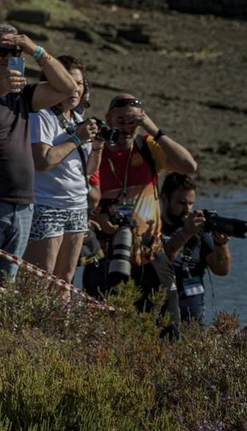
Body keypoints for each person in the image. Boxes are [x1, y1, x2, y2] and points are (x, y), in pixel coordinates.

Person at [0, 25, 76, 299]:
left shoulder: (22, 94)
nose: (9, 56)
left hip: (21, 206)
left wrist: (36, 50)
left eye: (15, 52)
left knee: (3, 290)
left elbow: (67, 88)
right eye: (1, 50)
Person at [85, 93, 199, 310]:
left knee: (166, 323)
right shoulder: (95, 151)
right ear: (108, 118)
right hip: (105, 251)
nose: (127, 127)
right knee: (105, 324)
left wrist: (152, 128)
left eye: (133, 121)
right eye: (121, 121)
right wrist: (95, 216)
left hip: (150, 252)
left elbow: (189, 166)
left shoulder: (148, 146)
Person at [24, 56, 99, 284]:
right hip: (47, 205)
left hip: (76, 205)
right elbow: (43, 161)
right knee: (40, 279)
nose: (75, 89)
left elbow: (87, 171)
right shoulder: (42, 115)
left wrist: (97, 146)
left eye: (79, 83)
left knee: (65, 278)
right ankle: (35, 321)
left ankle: (59, 322)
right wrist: (77, 137)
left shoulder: (78, 119)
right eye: (69, 82)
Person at [158, 174, 231, 326]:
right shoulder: (154, 229)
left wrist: (220, 243)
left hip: (195, 326)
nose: (187, 210)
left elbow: (222, 269)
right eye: (181, 203)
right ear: (164, 199)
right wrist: (185, 233)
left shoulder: (199, 232)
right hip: (162, 324)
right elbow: (162, 263)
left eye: (191, 204)